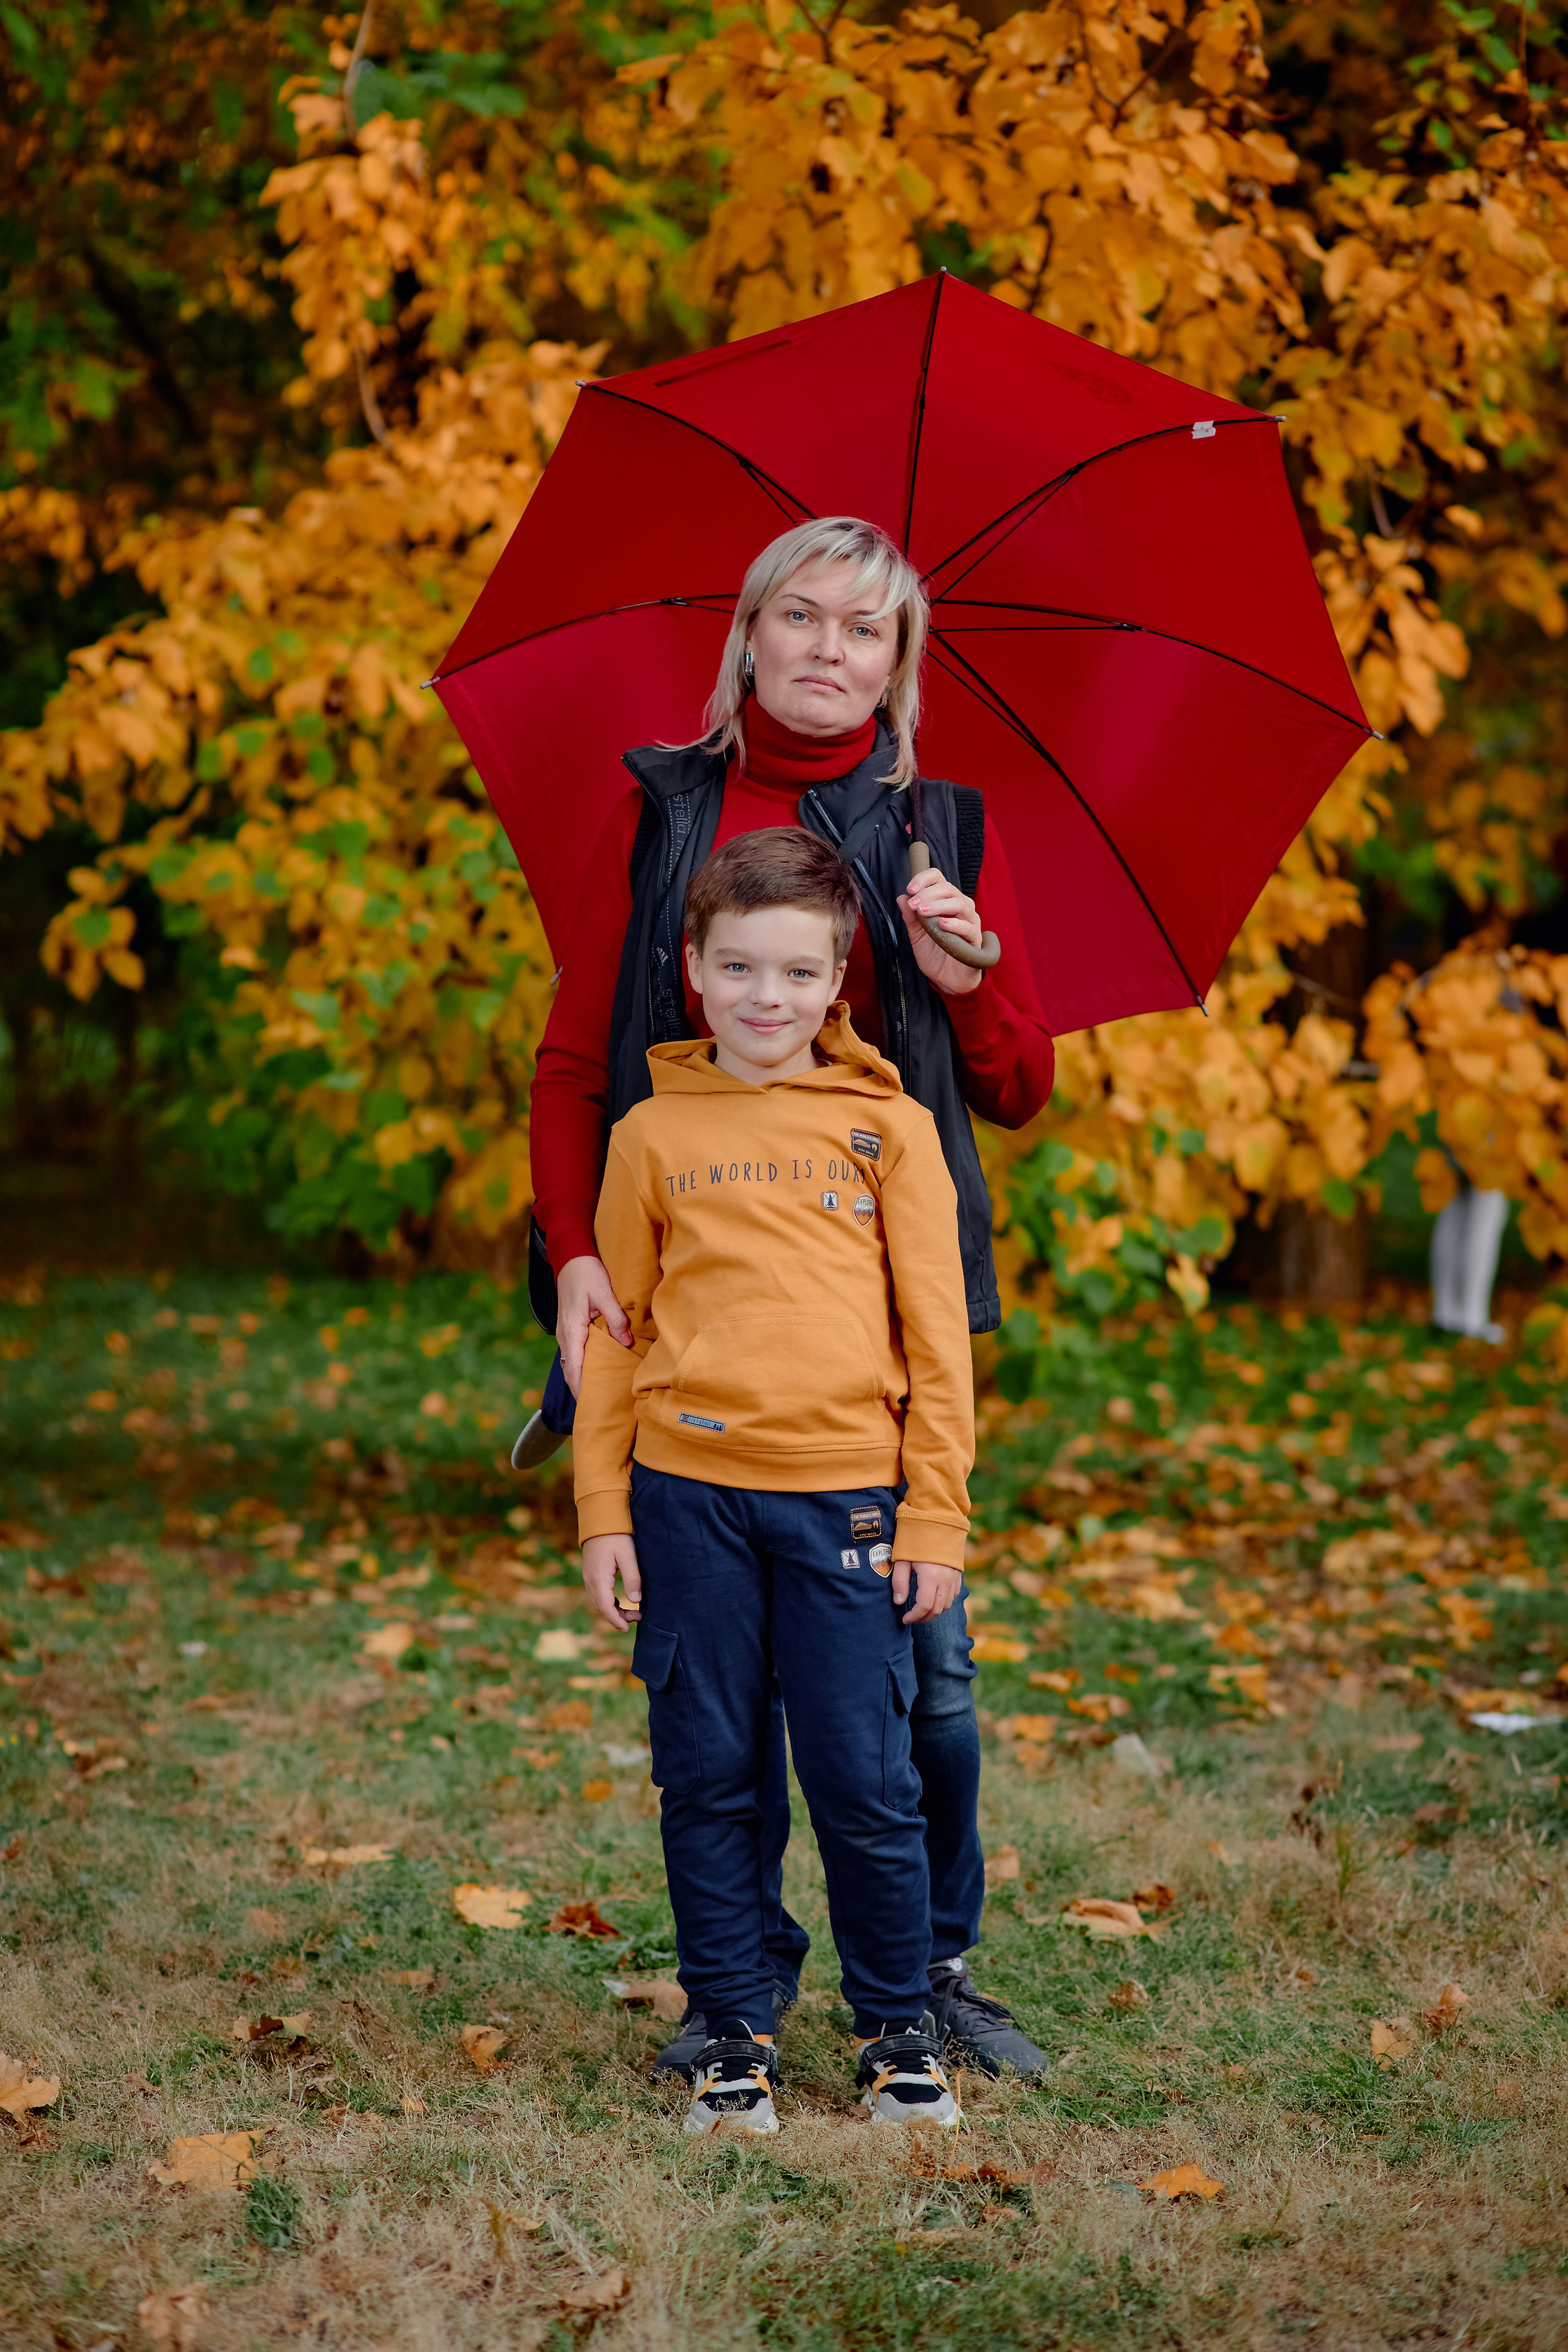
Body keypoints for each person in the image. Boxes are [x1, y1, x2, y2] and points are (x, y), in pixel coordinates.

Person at [526, 515, 1054, 2081]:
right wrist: (572, 1254)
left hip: (880, 1309)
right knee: (714, 1695)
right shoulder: (651, 812)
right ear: (748, 632)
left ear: (899, 666)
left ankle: (929, 1971)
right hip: (677, 1269)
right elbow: (572, 1058)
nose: (830, 649)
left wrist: (974, 981)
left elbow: (1016, 1089)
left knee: (921, 1681)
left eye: (867, 629)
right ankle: (734, 1990)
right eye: (802, 617)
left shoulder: (941, 824)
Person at [577, 830, 971, 2134]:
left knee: (866, 1780)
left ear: (839, 980)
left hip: (847, 1502)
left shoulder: (892, 1132)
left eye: (796, 974)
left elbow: (936, 1342)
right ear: (691, 967)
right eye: (737, 966)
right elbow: (615, 1342)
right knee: (710, 1772)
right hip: (690, 1502)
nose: (765, 997)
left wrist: (936, 1517)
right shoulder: (648, 1136)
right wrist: (604, 1509)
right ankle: (733, 2025)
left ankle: (897, 2026)